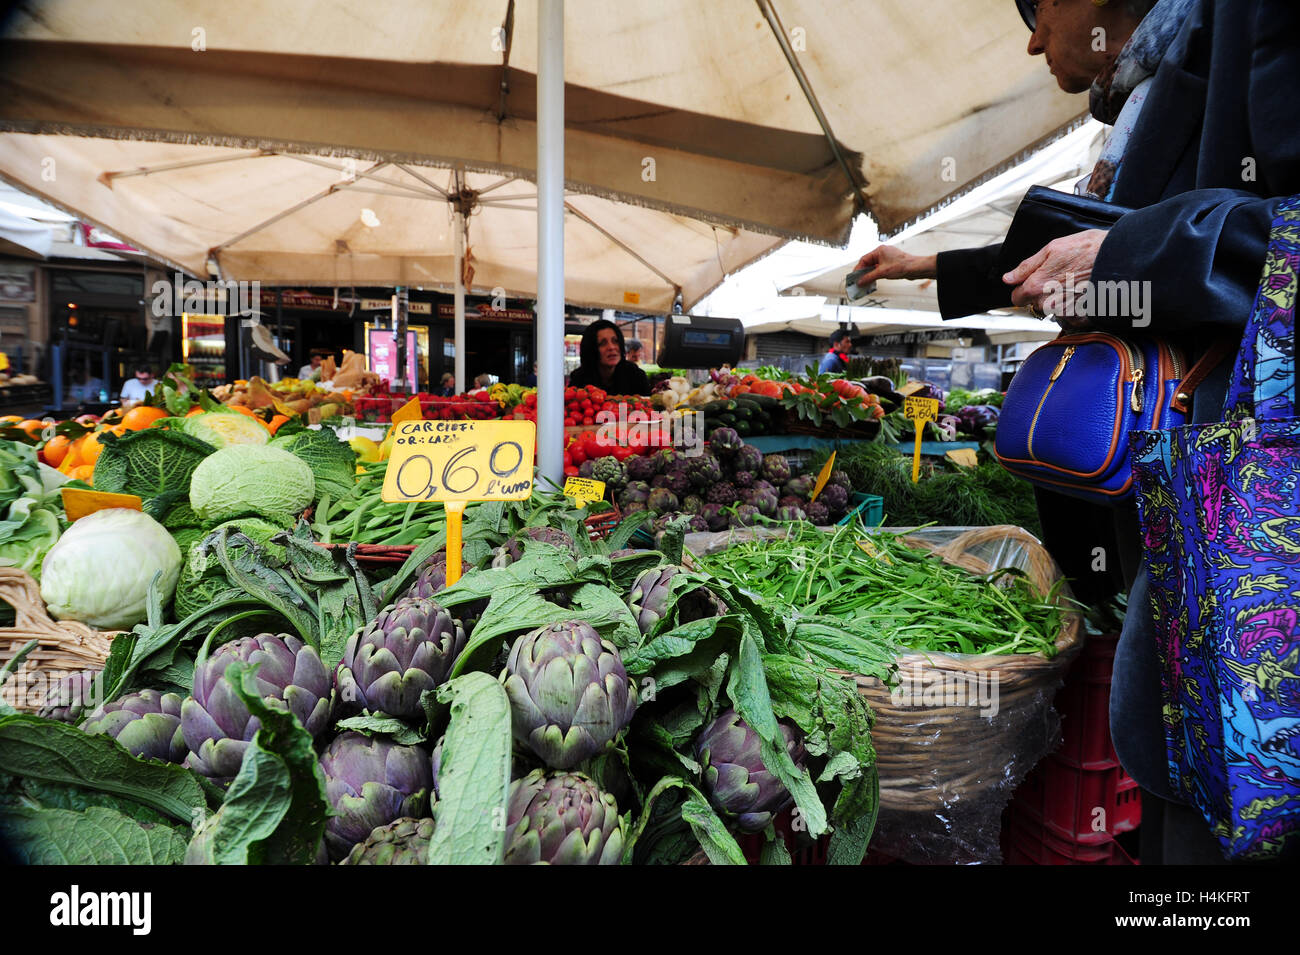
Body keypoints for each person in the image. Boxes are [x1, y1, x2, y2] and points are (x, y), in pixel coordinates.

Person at [853, 0, 1300, 863]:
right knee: (1190, 774)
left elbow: (1229, 233)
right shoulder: (1161, 79)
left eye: (1037, 5)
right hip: (1187, 516)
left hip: (1250, 524)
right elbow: (1079, 243)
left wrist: (1138, 256)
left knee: (1235, 783)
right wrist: (935, 266)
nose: (1030, 37)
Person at [567, 320, 651, 396]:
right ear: (592, 349)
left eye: (615, 341)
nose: (611, 347)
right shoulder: (579, 379)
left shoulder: (636, 375)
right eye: (602, 343)